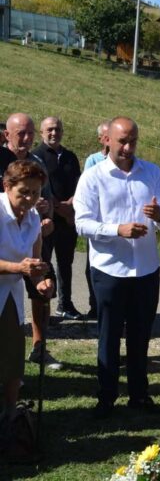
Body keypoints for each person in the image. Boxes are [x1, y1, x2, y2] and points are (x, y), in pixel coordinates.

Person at [73, 117, 160, 419]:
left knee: (141, 335)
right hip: (109, 269)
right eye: (122, 142)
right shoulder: (93, 177)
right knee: (109, 334)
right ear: (107, 141)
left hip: (145, 268)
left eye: (132, 141)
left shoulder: (151, 172)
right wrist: (118, 229)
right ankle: (106, 396)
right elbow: (82, 223)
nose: (128, 148)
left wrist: (159, 216)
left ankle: (139, 394)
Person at [2, 113, 60, 371]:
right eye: (20, 134)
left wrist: (45, 216)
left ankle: (39, 347)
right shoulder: (2, 160)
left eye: (30, 134)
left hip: (31, 232)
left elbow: (47, 200)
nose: (26, 139)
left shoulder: (38, 162)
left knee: (40, 289)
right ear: (7, 135)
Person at [0, 161, 54, 428]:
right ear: (6, 186)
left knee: (11, 356)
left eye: (35, 193)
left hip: (10, 293)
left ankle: (10, 412)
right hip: (6, 282)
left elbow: (35, 260)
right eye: (23, 192)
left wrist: (41, 281)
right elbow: (21, 265)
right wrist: (17, 267)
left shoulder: (33, 218)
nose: (30, 199)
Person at [33, 117, 83, 321]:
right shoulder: (37, 156)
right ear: (41, 132)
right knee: (44, 262)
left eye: (58, 129)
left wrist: (71, 206)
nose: (54, 133)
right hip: (47, 220)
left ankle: (66, 303)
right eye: (50, 129)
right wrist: (56, 207)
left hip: (68, 220)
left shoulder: (70, 156)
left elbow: (79, 184)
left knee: (66, 263)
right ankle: (43, 305)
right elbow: (40, 187)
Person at [82, 120, 111, 319]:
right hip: (97, 220)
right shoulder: (93, 160)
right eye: (106, 136)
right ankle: (95, 304)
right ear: (101, 138)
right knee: (91, 266)